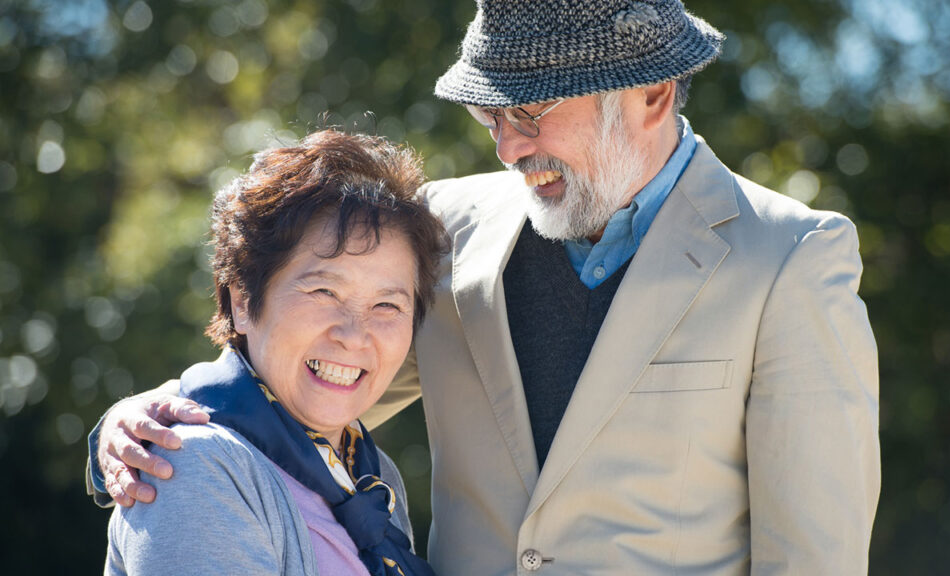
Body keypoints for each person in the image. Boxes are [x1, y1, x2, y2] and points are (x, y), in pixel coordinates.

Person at [90, 1, 881, 574]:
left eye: (529, 113)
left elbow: (815, 558)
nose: (506, 147)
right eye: (488, 117)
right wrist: (137, 426)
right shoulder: (443, 226)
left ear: (652, 95)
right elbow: (302, 386)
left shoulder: (791, 259)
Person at [102, 129, 444, 576]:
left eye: (387, 304)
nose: (354, 335)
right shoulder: (194, 467)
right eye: (324, 291)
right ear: (243, 301)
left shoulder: (374, 477)